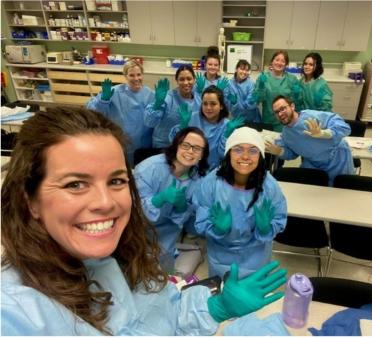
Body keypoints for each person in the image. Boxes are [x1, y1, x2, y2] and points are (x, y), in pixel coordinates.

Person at [1, 106, 287, 335]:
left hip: (183, 249)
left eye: (116, 180)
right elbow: (193, 221)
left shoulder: (126, 260)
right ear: (31, 200)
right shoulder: (15, 311)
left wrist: (214, 308)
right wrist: (188, 215)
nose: (105, 202)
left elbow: (163, 314)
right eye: (75, 184)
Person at [194, 126, 287, 279]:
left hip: (256, 258)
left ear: (261, 156)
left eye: (253, 150)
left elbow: (279, 218)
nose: (245, 156)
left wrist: (265, 229)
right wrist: (217, 230)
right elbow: (201, 220)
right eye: (238, 149)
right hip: (220, 258)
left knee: (251, 300)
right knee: (223, 297)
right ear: (228, 153)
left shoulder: (269, 186)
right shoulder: (211, 183)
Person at [133, 127, 209, 273]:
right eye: (185, 145)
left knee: (162, 275)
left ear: (202, 156)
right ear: (176, 146)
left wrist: (182, 208)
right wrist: (157, 200)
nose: (190, 151)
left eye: (197, 148)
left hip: (166, 237)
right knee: (135, 271)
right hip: (137, 232)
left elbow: (191, 222)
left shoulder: (199, 181)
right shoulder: (149, 168)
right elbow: (131, 210)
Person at [265, 95, 354, 185]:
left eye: (283, 109)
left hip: (338, 160)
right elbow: (292, 154)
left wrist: (324, 133)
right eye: (276, 112)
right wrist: (279, 151)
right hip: (313, 164)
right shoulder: (286, 134)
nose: (280, 114)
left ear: (292, 106)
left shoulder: (311, 117)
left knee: (340, 191)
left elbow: (345, 128)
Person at [86, 60, 154, 166]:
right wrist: (103, 100)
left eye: (139, 74)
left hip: (143, 144)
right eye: (131, 75)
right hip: (120, 141)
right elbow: (93, 112)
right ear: (125, 76)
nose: (136, 79)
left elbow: (154, 119)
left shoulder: (150, 94)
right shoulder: (114, 92)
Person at [171, 85, 244, 169]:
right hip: (189, 167)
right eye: (205, 104)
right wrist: (182, 127)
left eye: (213, 104)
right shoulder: (191, 118)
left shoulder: (227, 125)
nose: (208, 108)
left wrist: (226, 135)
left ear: (221, 106)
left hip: (212, 171)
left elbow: (223, 155)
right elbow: (175, 144)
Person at [143, 65, 201, 152]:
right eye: (182, 79)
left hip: (187, 147)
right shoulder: (168, 98)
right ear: (177, 81)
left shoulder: (198, 99)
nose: (186, 82)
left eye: (189, 79)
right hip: (165, 147)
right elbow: (149, 122)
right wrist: (157, 104)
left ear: (194, 80)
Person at [252, 50, 300, 132]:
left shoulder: (292, 79)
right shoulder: (263, 77)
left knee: (282, 144)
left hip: (286, 121)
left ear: (286, 64)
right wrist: (261, 87)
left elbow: (295, 104)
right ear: (272, 61)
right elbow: (257, 100)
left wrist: (296, 95)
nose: (279, 63)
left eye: (283, 61)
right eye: (277, 60)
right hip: (268, 120)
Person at [227, 59, 261, 123]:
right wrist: (233, 104)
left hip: (252, 119)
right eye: (242, 69)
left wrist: (250, 103)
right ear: (236, 69)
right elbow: (228, 105)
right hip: (237, 119)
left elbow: (250, 105)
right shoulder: (230, 84)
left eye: (247, 70)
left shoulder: (251, 84)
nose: (244, 72)